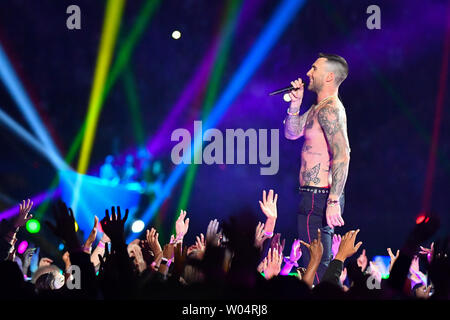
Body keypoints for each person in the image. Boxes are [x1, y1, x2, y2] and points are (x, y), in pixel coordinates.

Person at [283, 53, 350, 284]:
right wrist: (295, 104)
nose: (308, 73)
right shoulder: (317, 108)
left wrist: (333, 200)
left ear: (329, 76)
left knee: (316, 261)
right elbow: (292, 133)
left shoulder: (331, 109)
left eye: (314, 69)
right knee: (312, 261)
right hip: (312, 195)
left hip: (320, 196)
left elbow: (342, 155)